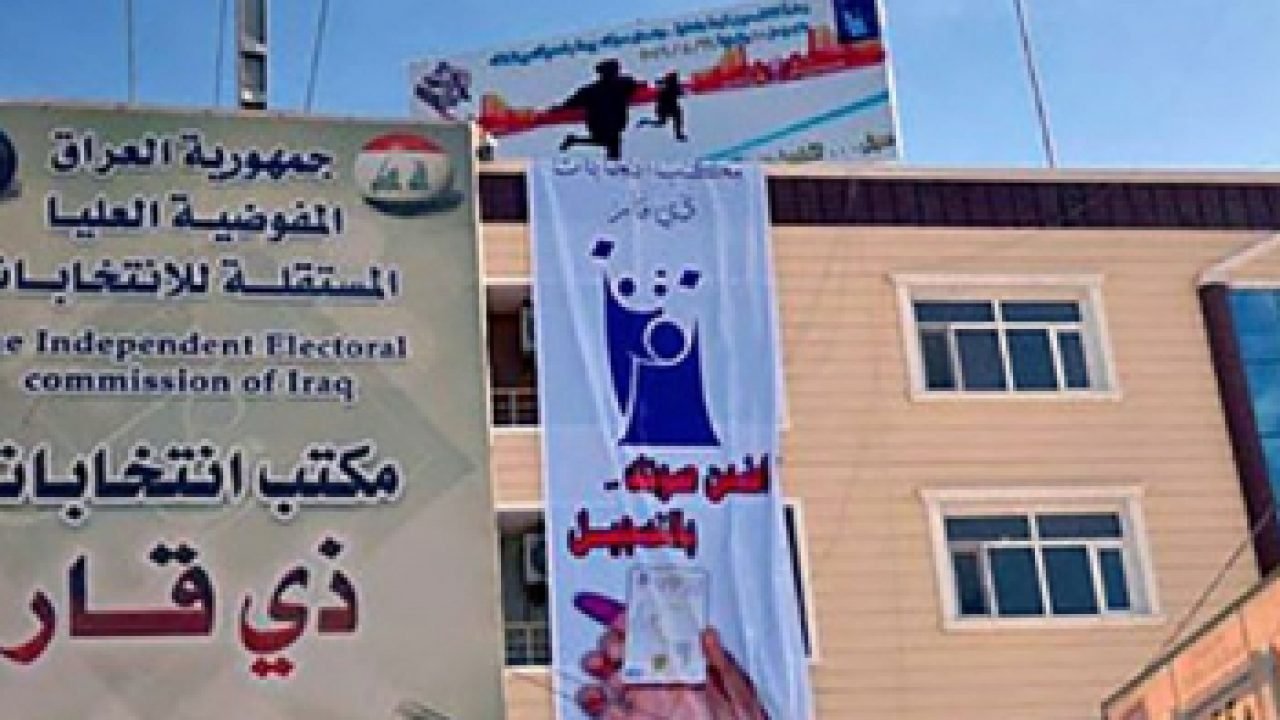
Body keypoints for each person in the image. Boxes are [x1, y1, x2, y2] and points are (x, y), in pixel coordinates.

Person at [554, 59, 642, 161]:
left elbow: (570, 103)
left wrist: (557, 108)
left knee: (607, 142)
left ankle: (573, 140)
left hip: (610, 124)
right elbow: (570, 103)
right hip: (603, 124)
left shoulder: (593, 90)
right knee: (609, 143)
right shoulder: (622, 84)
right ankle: (574, 140)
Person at [636, 72, 688, 142]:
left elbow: (682, 93)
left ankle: (678, 134)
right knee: (662, 122)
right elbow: (681, 93)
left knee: (670, 119)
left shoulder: (673, 86)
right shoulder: (667, 86)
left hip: (670, 107)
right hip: (664, 107)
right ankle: (645, 121)